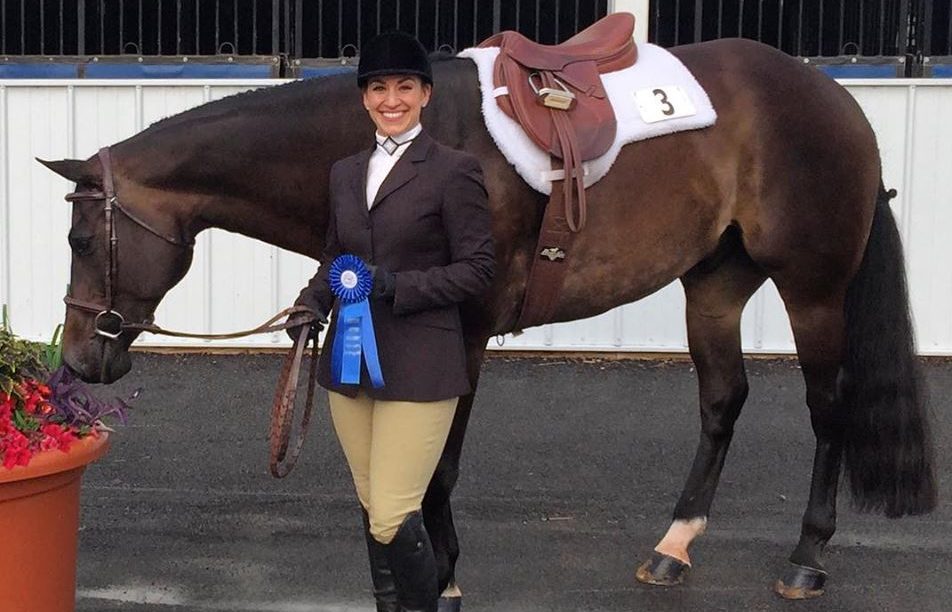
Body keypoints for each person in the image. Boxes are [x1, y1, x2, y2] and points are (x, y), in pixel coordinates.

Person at [287, 31, 495, 612]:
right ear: (364, 98)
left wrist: (395, 286)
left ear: (426, 95)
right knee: (370, 501)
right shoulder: (345, 172)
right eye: (378, 87)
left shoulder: (455, 170)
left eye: (405, 86)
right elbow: (336, 255)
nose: (391, 98)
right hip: (349, 366)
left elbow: (479, 270)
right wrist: (313, 301)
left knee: (392, 512)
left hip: (422, 364)